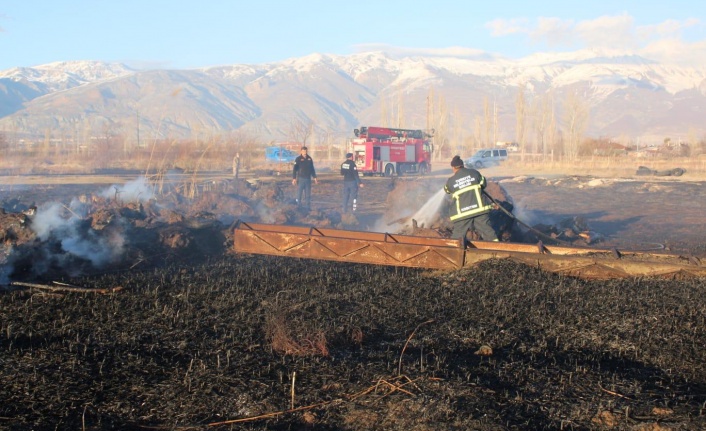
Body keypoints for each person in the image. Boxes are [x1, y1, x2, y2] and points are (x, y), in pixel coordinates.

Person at [444, 155, 499, 243]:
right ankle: (498, 250)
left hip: (462, 213)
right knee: (488, 233)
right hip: (479, 210)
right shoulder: (474, 173)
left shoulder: (451, 180)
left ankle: (452, 253)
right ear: (462, 165)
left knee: (457, 236)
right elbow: (483, 183)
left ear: (453, 168)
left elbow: (447, 190)